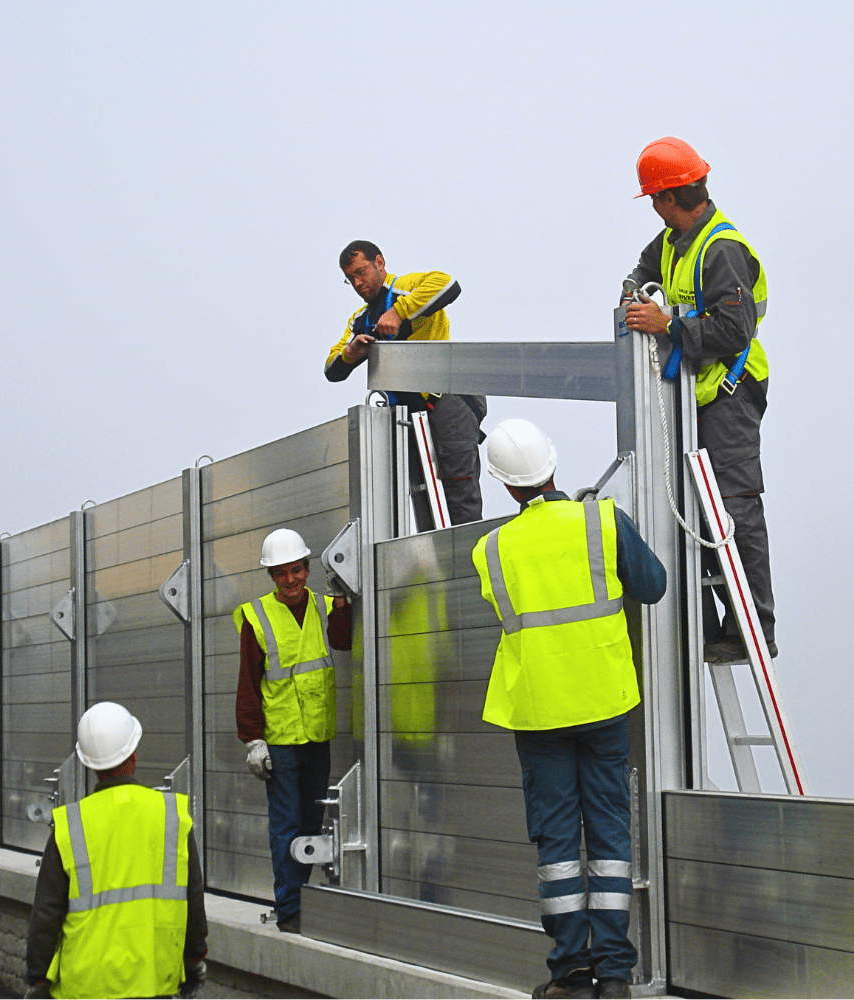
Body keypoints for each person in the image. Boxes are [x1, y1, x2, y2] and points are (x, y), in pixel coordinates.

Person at [471, 420, 666, 1000]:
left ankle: (571, 976)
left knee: (557, 843)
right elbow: (652, 585)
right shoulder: (602, 520)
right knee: (609, 834)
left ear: (505, 487)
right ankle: (615, 977)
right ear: (554, 465)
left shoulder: (492, 549)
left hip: (537, 711)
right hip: (604, 700)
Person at [622, 136, 776, 664]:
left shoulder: (720, 248)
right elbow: (640, 271)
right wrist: (632, 295)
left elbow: (735, 329)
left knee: (733, 505)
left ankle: (753, 626)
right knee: (691, 509)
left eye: (654, 200)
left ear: (668, 197)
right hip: (698, 392)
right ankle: (710, 626)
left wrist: (667, 324)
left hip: (730, 389)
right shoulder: (670, 242)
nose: (655, 211)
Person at [25, 702, 208, 1000]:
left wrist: (38, 979)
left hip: (85, 987)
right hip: (155, 981)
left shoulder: (71, 825)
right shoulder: (170, 815)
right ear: (133, 754)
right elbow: (192, 898)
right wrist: (194, 959)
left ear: (90, 764)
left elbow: (46, 914)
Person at [233, 527, 351, 933]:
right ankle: (290, 909)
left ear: (306, 567)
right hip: (280, 741)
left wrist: (344, 602)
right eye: (281, 574)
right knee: (285, 823)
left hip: (317, 735)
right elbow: (248, 681)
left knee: (310, 823)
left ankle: (302, 900)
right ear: (272, 577)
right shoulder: (257, 615)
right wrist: (253, 740)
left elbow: (344, 640)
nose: (291, 580)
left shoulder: (323, 606)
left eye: (297, 570)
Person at [325, 240, 487, 525]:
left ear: (380, 263)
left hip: (445, 402)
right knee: (423, 497)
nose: (358, 282)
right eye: (350, 278)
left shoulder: (405, 287)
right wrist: (351, 354)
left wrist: (399, 312)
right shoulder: (360, 321)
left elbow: (448, 284)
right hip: (409, 420)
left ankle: (468, 565)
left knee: (461, 497)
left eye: (362, 272)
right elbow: (332, 368)